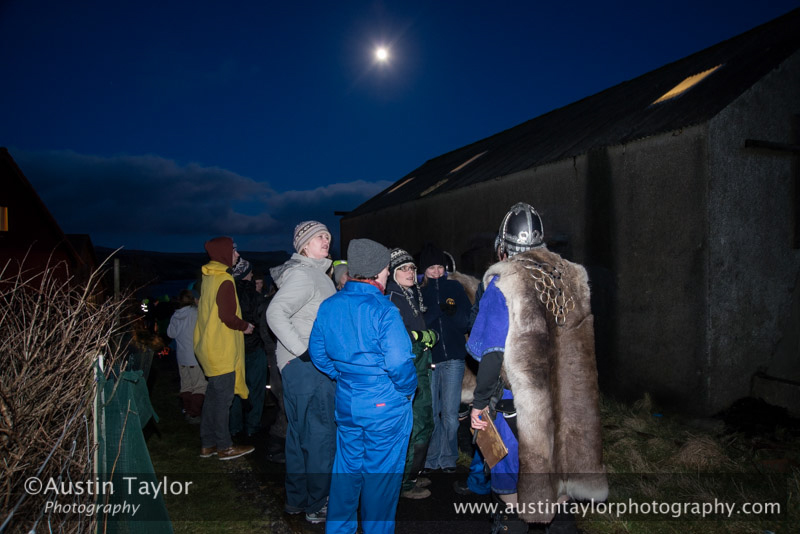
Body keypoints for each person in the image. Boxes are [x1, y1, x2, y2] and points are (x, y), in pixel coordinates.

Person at [468, 203, 607, 533]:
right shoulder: (573, 276)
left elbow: (490, 352)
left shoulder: (505, 281)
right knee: (559, 479)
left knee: (514, 486)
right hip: (570, 401)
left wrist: (479, 404)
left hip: (520, 405)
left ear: (505, 245)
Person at [309, 239, 416, 534]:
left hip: (348, 402)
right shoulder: (384, 310)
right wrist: (407, 389)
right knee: (380, 479)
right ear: (379, 271)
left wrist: (344, 375)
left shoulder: (330, 305)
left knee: (346, 472)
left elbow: (317, 352)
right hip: (385, 407)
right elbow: (399, 364)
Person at [267, 221, 337, 524]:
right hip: (308, 367)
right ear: (304, 245)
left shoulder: (315, 274)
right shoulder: (304, 274)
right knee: (320, 435)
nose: (326, 240)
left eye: (328, 236)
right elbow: (275, 312)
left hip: (299, 367)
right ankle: (317, 503)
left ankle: (297, 499)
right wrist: (304, 350)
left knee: (299, 436)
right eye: (319, 237)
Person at [193, 237, 255, 461]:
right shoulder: (225, 280)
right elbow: (227, 317)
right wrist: (245, 326)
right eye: (234, 251)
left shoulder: (209, 277)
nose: (237, 255)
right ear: (223, 253)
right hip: (221, 350)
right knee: (223, 402)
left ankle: (207, 443)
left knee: (212, 398)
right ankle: (224, 446)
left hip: (208, 347)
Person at [386, 248, 438, 499]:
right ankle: (404, 483)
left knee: (425, 421)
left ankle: (412, 474)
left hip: (421, 368)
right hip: (407, 370)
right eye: (402, 269)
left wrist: (428, 338)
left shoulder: (412, 295)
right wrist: (417, 338)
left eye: (411, 268)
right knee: (414, 423)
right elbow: (392, 337)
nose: (409, 272)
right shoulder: (392, 298)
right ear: (393, 273)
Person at [418, 243, 472, 473]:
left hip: (454, 359)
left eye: (439, 266)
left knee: (450, 414)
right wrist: (437, 311)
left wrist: (455, 314)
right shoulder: (419, 292)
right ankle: (431, 459)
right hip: (431, 359)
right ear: (425, 270)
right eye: (431, 268)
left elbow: (467, 320)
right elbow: (420, 324)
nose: (437, 271)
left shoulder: (456, 288)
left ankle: (448, 458)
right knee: (433, 412)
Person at [229, 258, 268, 438]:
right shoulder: (257, 297)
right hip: (255, 348)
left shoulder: (230, 298)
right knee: (256, 389)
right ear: (246, 275)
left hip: (235, 349)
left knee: (236, 389)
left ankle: (234, 427)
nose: (253, 275)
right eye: (250, 272)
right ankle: (252, 426)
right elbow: (264, 325)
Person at [167, 289, 207, 424]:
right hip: (194, 357)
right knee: (200, 386)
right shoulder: (196, 314)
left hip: (181, 357)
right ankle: (194, 414)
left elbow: (170, 334)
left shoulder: (176, 315)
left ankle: (187, 410)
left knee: (186, 386)